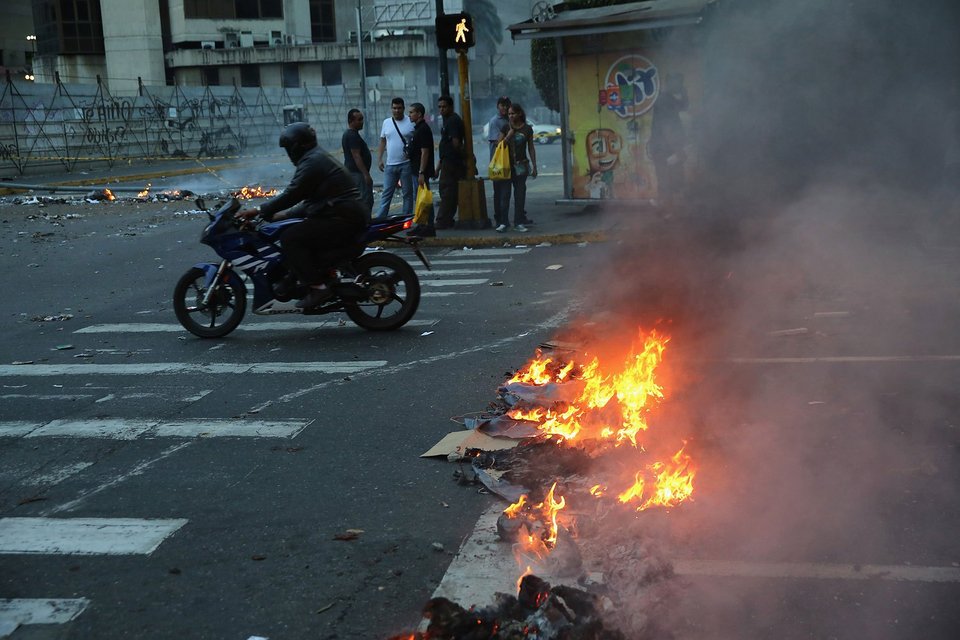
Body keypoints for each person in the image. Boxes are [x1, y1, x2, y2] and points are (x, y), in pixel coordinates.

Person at [236, 122, 367, 309]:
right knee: (294, 230)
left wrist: (259, 210)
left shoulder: (312, 161)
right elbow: (310, 201)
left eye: (289, 148)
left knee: (290, 238)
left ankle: (319, 287)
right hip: (341, 213)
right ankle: (300, 277)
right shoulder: (315, 157)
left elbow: (293, 193)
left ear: (297, 146)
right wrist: (284, 215)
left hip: (342, 217)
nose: (289, 153)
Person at [496, 103, 537, 233]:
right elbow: (499, 145)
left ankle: (518, 222)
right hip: (506, 166)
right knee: (505, 195)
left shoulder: (527, 129)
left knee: (520, 195)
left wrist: (534, 166)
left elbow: (531, 147)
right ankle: (504, 222)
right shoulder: (505, 127)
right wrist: (509, 135)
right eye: (509, 114)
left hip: (521, 166)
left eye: (513, 113)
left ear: (519, 114)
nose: (511, 116)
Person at [375, 97, 415, 220]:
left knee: (407, 193)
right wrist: (380, 158)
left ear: (403, 108)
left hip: (406, 164)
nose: (396, 110)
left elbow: (416, 140)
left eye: (399, 108)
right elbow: (382, 141)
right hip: (390, 165)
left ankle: (405, 219)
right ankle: (380, 219)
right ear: (391, 108)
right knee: (387, 193)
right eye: (394, 108)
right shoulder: (386, 122)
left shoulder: (410, 122)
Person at [435, 95, 466, 229]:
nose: (441, 109)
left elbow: (456, 142)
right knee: (448, 191)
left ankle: (443, 220)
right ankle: (447, 219)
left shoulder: (453, 120)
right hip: (447, 161)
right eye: (439, 107)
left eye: (444, 106)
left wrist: (460, 158)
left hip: (452, 162)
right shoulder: (448, 120)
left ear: (451, 107)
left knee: (447, 190)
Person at [407, 102, 436, 237]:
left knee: (425, 198)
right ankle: (422, 224)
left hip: (420, 171)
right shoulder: (418, 129)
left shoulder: (423, 129)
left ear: (419, 114)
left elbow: (425, 152)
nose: (409, 115)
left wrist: (421, 172)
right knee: (420, 198)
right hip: (415, 169)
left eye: (412, 112)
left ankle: (429, 226)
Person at [341, 108, 373, 218]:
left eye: (362, 119)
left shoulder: (350, 134)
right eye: (359, 120)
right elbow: (356, 156)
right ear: (351, 121)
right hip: (358, 174)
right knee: (365, 201)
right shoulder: (352, 135)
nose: (362, 122)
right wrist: (366, 175)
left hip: (354, 173)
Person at [486, 96, 512, 230]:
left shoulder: (510, 119)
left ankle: (505, 218)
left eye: (507, 105)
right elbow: (497, 143)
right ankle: (499, 218)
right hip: (498, 163)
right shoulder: (495, 121)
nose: (505, 108)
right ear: (498, 106)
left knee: (506, 192)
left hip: (509, 162)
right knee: (499, 192)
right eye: (502, 105)